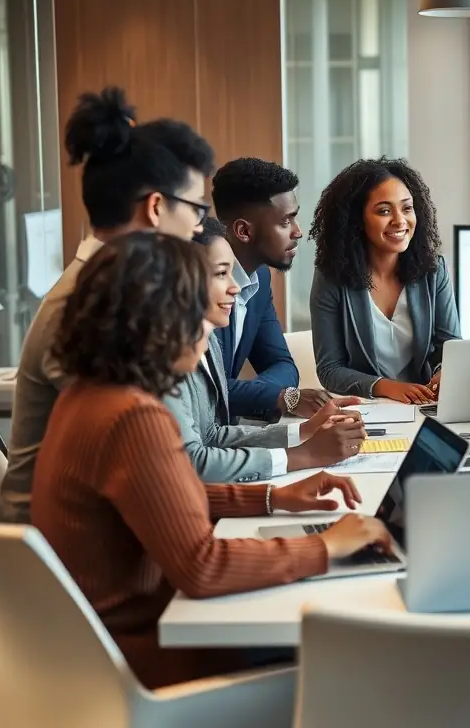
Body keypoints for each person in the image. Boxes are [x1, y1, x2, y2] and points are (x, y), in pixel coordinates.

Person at [31, 232, 393, 689]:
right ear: (158, 321)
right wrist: (327, 547)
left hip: (97, 649)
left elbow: (165, 495)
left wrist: (270, 498)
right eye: (193, 311)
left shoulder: (90, 395)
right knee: (358, 651)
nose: (209, 327)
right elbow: (202, 567)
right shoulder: (132, 416)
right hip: (142, 662)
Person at [0, 86, 215, 524]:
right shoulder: (89, 307)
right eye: (197, 208)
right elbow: (163, 452)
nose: (199, 226)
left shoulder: (114, 293)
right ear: (156, 208)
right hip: (65, 554)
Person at [164, 218, 367, 482]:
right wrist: (303, 456)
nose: (235, 287)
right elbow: (193, 461)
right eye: (221, 273)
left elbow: (212, 435)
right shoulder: (161, 358)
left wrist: (303, 432)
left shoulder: (207, 336)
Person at [309, 157, 460, 404]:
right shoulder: (331, 278)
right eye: (384, 211)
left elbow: (450, 346)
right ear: (357, 220)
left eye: (407, 208)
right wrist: (386, 387)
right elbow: (330, 369)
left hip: (425, 406)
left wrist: (443, 372)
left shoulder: (433, 270)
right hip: (367, 409)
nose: (400, 220)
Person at [211, 157, 318, 422]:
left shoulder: (259, 279)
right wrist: (281, 397)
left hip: (228, 432)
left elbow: (283, 365)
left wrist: (263, 394)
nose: (298, 232)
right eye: (285, 222)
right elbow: (203, 390)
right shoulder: (199, 283)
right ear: (244, 231)